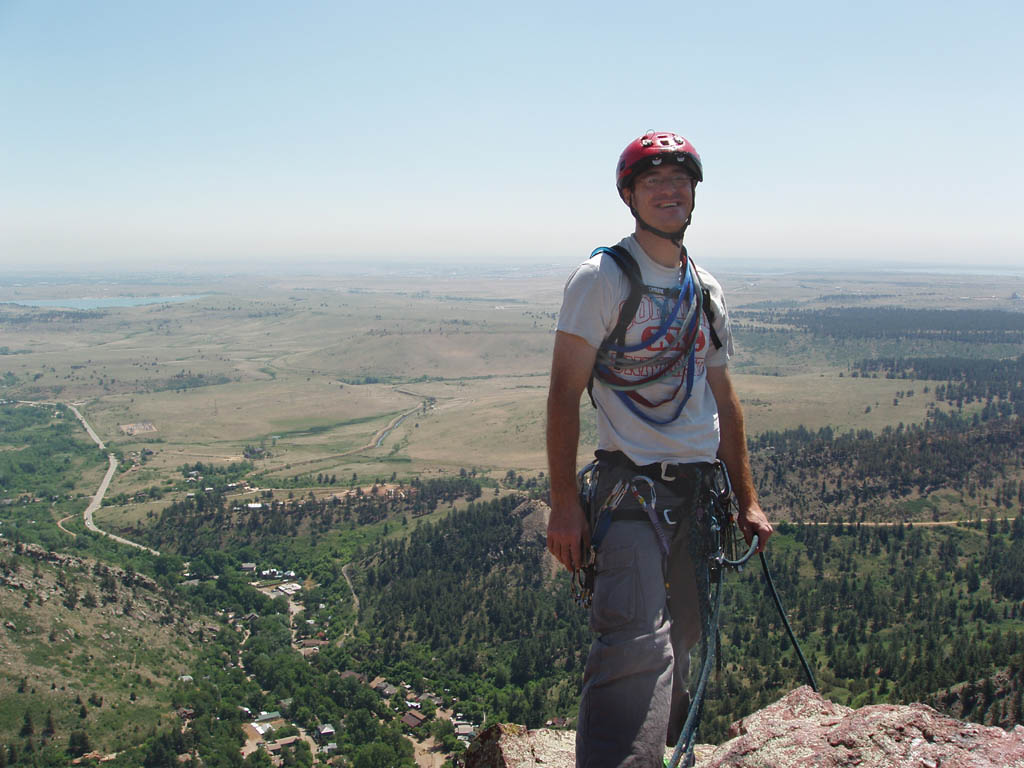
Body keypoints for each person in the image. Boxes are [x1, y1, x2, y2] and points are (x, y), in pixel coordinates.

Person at [546, 131, 773, 767]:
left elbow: (723, 400)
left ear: (695, 193)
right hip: (631, 487)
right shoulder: (602, 279)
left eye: (680, 181)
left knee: (686, 633)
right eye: (654, 183)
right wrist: (564, 506)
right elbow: (564, 394)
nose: (669, 191)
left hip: (699, 491)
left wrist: (748, 501)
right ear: (631, 197)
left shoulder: (704, 288)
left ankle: (660, 750)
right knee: (634, 641)